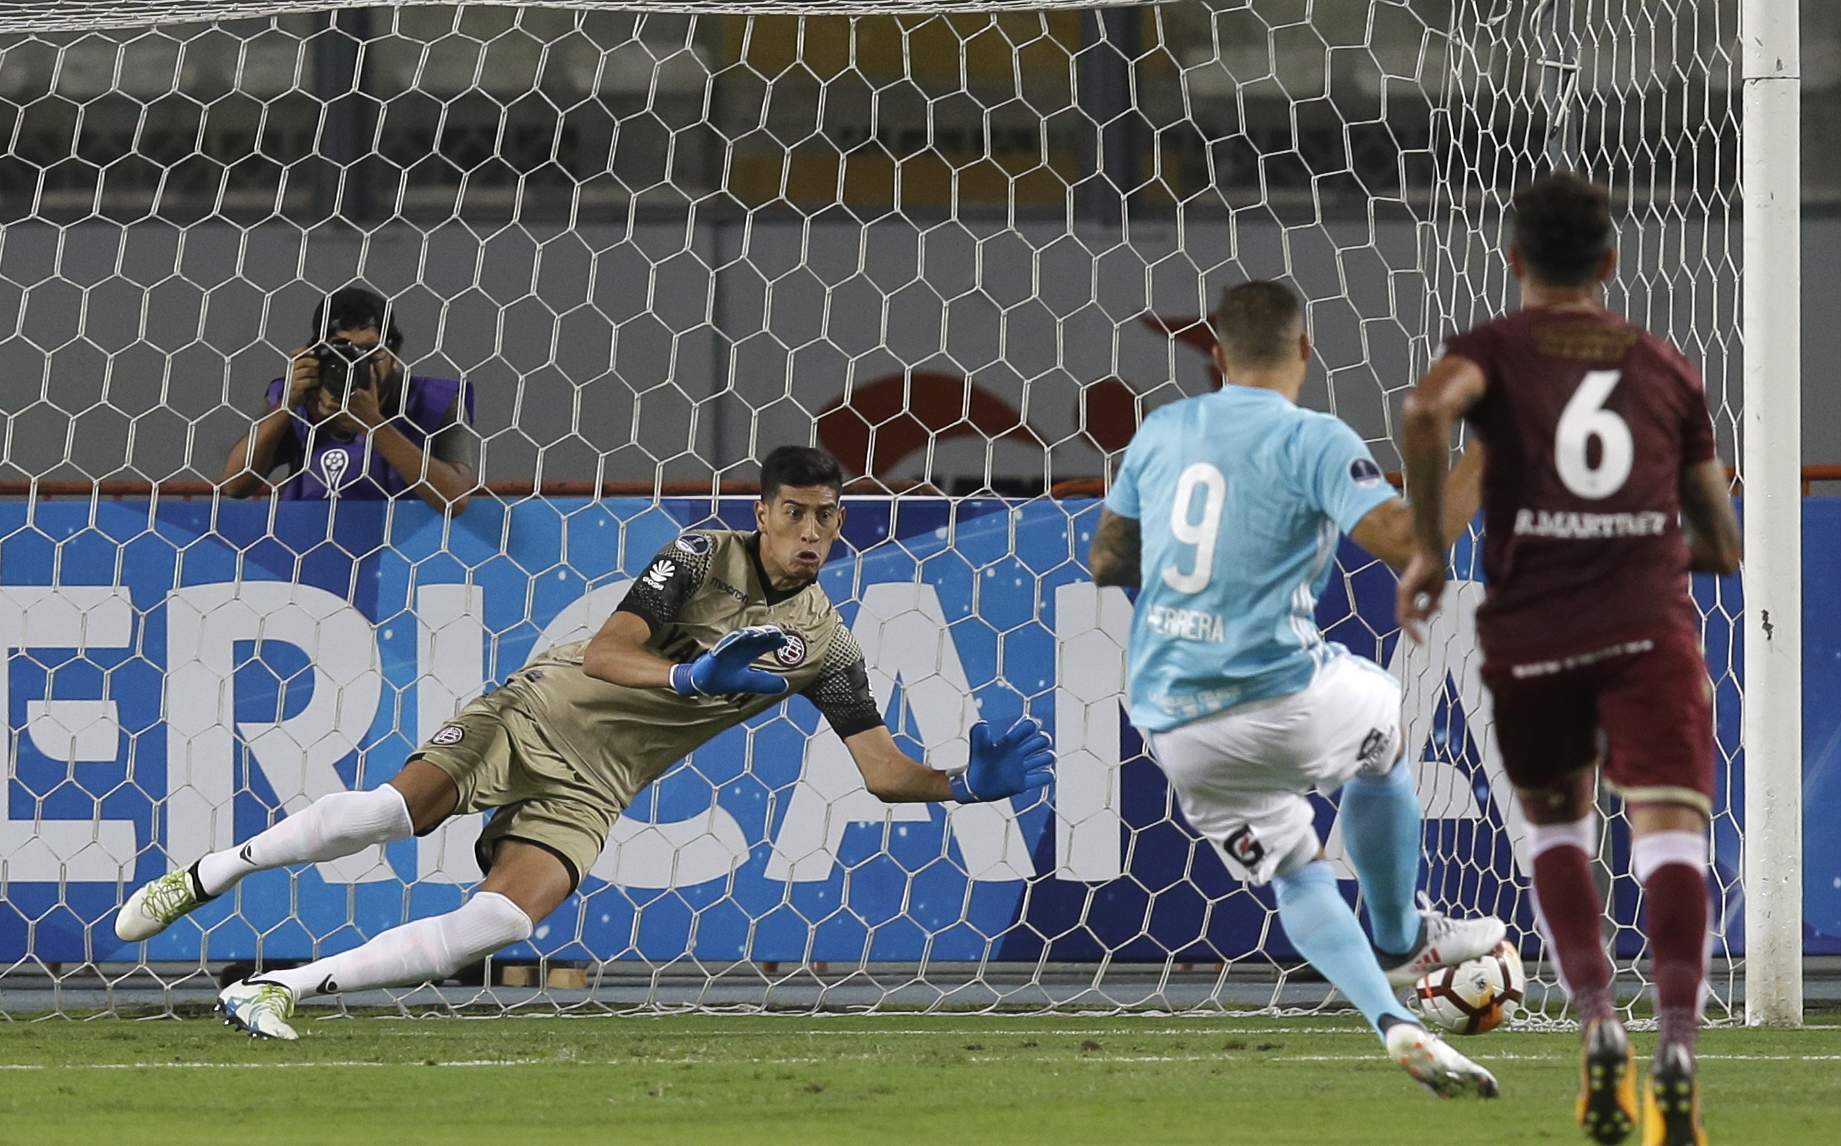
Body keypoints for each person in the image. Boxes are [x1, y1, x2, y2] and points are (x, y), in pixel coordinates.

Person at [118, 445, 1055, 1039]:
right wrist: (693, 676)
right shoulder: (697, 554)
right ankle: (206, 875)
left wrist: (961, 784)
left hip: (598, 783)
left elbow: (882, 771)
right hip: (536, 712)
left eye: (829, 516)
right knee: (386, 814)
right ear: (763, 513)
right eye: (796, 513)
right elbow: (610, 651)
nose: (813, 531)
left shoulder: (827, 644)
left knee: (501, 923)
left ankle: (281, 989)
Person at [1089, 279, 1502, 1098]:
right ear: (1305, 351)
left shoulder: (1163, 430)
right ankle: (1398, 932)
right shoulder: (1313, 438)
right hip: (1283, 694)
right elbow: (1411, 544)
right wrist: (1489, 452)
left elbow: (1107, 560)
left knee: (1298, 870)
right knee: (1384, 721)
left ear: (1214, 357)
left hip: (1175, 722)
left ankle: (1393, 1020)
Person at [1396, 172, 1741, 1146]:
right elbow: (1721, 545)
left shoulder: (1494, 352)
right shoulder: (1667, 368)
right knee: (1671, 827)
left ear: (1513, 261)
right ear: (1611, 261)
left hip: (1534, 631)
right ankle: (1678, 1040)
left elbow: (1427, 416)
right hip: (1645, 623)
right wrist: (1646, 522)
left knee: (1558, 826)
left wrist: (1428, 544)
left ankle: (1599, 1025)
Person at [219, 286, 476, 516]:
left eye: (369, 350)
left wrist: (373, 424)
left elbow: (455, 499)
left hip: (401, 553)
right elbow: (236, 485)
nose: (356, 363)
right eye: (341, 351)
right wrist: (287, 405)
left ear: (392, 352)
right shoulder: (298, 397)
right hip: (305, 546)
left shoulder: (435, 401)